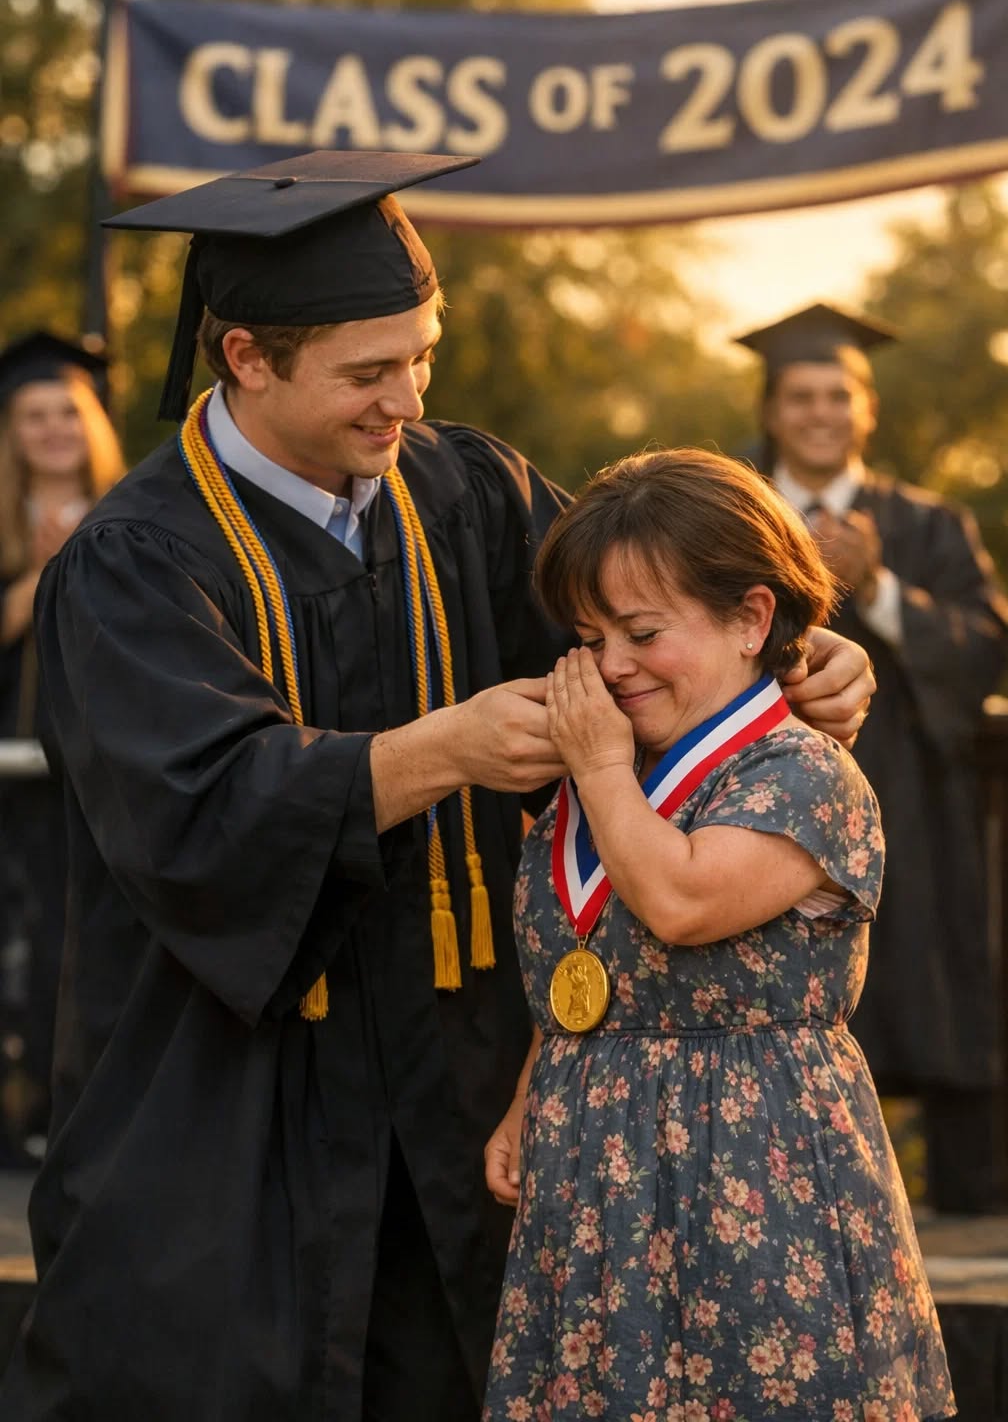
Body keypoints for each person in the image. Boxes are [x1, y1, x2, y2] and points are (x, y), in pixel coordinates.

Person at [0, 153, 874, 1422]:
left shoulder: (464, 490)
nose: (405, 399)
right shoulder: (134, 563)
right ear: (245, 355)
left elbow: (648, 628)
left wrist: (791, 657)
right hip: (222, 1106)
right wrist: (444, 750)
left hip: (449, 1091)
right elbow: (198, 814)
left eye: (421, 354)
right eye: (367, 371)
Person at [483, 447, 955, 1422]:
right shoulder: (610, 770)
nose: (610, 664)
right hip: (597, 1170)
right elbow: (590, 955)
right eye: (589, 634)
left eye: (642, 631)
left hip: (750, 1170)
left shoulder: (802, 772)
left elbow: (682, 901)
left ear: (749, 618)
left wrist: (600, 766)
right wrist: (533, 1090)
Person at [736, 302, 1008, 1214]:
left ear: (868, 410)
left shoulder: (927, 525)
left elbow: (985, 650)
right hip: (758, 812)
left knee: (935, 989)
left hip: (916, 811)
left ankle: (973, 1216)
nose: (821, 413)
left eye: (838, 396)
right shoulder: (730, 515)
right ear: (772, 410)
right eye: (801, 396)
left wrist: (883, 587)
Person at [0, 332, 124, 1164]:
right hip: (8, 769)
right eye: (32, 416)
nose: (52, 431)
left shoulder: (133, 514)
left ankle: (72, 1105)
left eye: (66, 413)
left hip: (91, 774)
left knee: (74, 941)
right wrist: (40, 574)